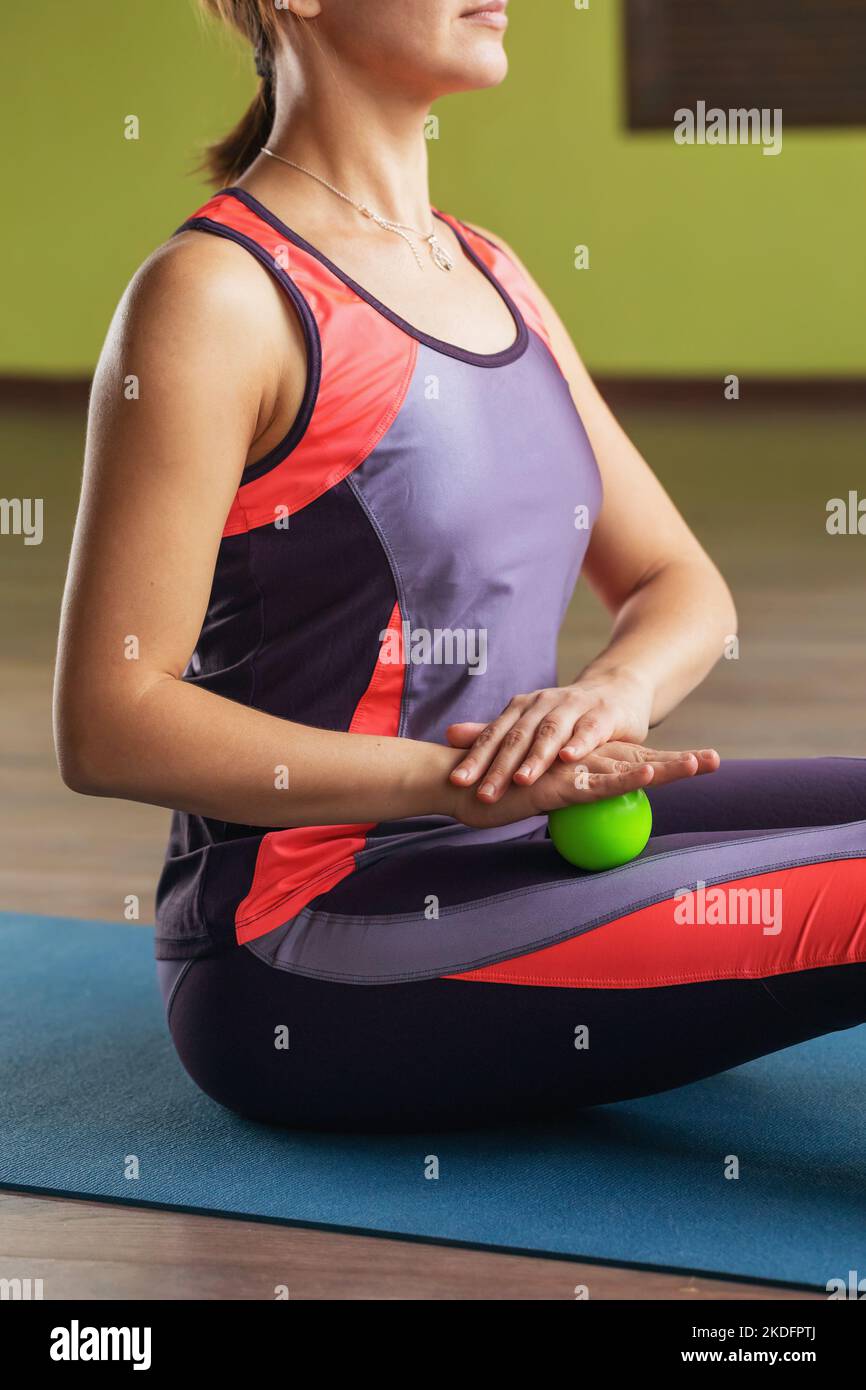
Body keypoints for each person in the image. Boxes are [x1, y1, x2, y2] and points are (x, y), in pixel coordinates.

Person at [54, 0, 866, 1130]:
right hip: (303, 936)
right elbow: (108, 720)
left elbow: (674, 580)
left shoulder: (490, 267)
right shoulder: (216, 296)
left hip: (513, 842)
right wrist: (460, 784)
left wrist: (602, 699)